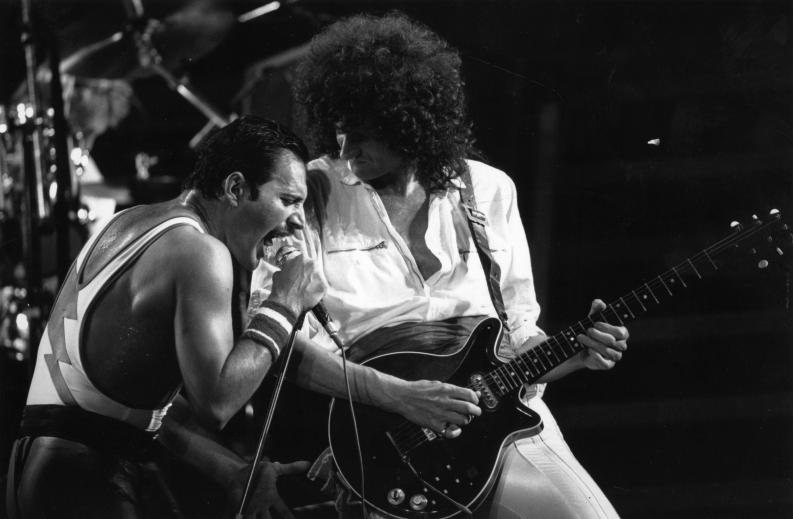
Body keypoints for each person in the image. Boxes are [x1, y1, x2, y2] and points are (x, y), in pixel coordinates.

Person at [253, 12, 630, 519]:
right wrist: (401, 398)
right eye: (340, 131)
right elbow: (275, 339)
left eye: (363, 134)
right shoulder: (311, 192)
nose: (345, 149)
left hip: (499, 425)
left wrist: (576, 353)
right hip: (379, 441)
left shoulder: (490, 190)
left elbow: (518, 335)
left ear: (408, 122)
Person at [4, 115, 327, 519]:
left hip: (41, 471)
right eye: (288, 200)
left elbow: (138, 405)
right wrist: (284, 303)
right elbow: (218, 403)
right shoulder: (200, 252)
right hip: (83, 478)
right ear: (236, 188)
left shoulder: (126, 223)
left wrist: (232, 471)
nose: (298, 220)